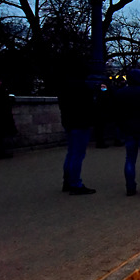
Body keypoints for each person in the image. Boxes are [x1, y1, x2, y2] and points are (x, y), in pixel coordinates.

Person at [58, 67, 96, 195]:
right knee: (78, 155)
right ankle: (75, 184)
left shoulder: (64, 87)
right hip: (81, 124)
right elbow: (90, 106)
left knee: (71, 153)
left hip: (69, 123)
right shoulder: (84, 88)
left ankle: (68, 181)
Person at [0, 77, 17, 159]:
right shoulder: (3, 89)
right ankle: (1, 152)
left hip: (4, 114)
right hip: (3, 114)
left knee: (3, 134)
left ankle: (2, 152)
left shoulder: (4, 89)